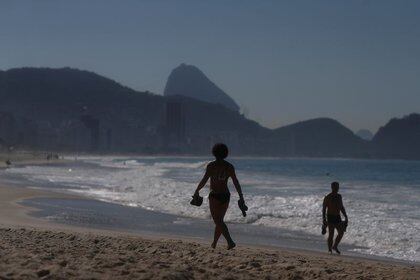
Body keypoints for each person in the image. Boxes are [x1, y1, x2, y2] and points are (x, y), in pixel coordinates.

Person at [193, 143, 245, 250]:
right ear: (225, 153)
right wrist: (241, 196)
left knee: (218, 221)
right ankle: (214, 243)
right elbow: (236, 182)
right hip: (226, 195)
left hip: (215, 195)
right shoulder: (229, 166)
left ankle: (230, 241)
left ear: (214, 152)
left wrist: (197, 191)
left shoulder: (211, 166)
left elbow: (204, 180)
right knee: (219, 220)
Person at [322, 181, 348, 254]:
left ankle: (335, 246)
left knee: (341, 232)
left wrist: (345, 216)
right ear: (332, 187)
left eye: (338, 187)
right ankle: (329, 249)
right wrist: (324, 219)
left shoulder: (339, 196)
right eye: (335, 187)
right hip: (330, 216)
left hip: (337, 216)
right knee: (331, 234)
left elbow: (341, 207)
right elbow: (324, 209)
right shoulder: (328, 197)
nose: (337, 188)